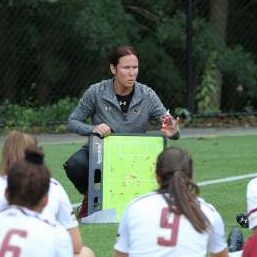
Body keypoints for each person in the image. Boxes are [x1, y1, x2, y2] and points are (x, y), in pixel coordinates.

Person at [64, 45, 180, 218]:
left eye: (135, 67)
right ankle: (90, 196)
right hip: (101, 153)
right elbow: (72, 122)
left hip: (135, 156)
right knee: (75, 164)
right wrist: (93, 129)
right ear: (113, 68)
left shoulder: (147, 95)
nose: (132, 73)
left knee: (171, 163)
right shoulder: (96, 92)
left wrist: (173, 130)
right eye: (126, 68)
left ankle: (160, 207)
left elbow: (170, 126)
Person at [0, 131, 95, 257]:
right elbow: (76, 246)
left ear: (7, 193)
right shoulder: (55, 231)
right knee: (86, 254)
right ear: (45, 200)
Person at [112, 147, 238, 257]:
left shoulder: (135, 206)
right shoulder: (207, 211)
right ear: (191, 176)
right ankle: (236, 255)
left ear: (157, 176)